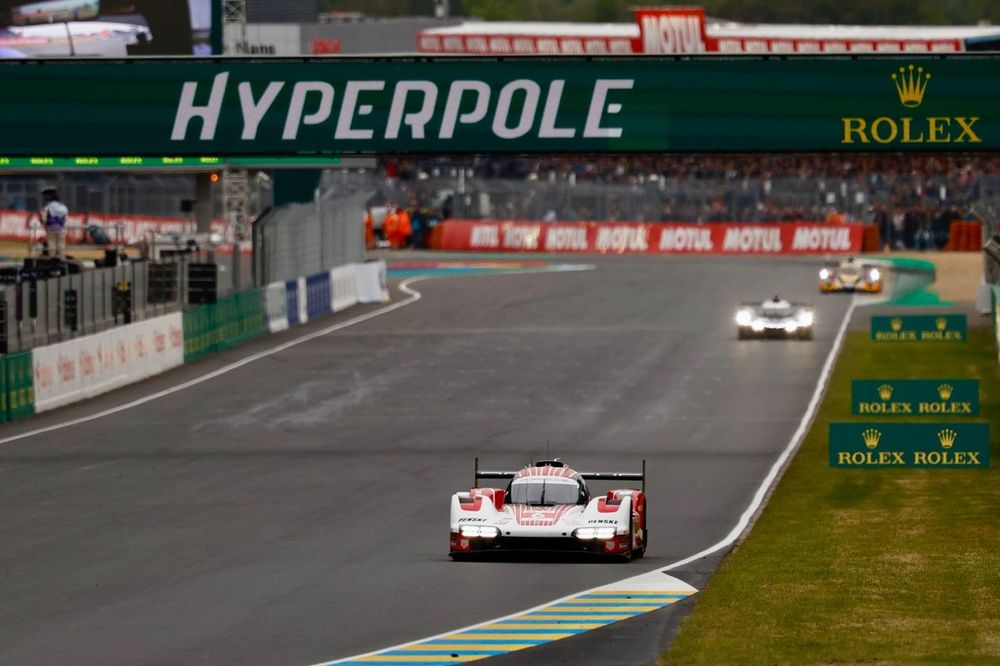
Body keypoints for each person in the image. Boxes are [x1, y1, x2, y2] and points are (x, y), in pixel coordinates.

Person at [41, 189, 68, 260]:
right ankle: (62, 258)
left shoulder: (48, 207)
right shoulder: (63, 206)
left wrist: (44, 225)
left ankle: (52, 258)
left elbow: (44, 218)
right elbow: (66, 217)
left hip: (51, 227)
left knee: (51, 243)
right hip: (61, 228)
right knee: (61, 244)